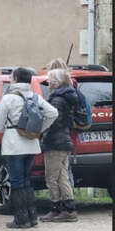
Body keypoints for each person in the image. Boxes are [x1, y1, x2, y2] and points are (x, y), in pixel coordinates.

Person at [0, 67, 58, 228]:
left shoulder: (8, 98)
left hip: (14, 145)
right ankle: (32, 216)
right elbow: (53, 113)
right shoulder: (34, 96)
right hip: (31, 144)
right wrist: (39, 129)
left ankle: (21, 219)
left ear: (15, 79)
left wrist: (9, 129)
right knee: (26, 180)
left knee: (16, 181)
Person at [40, 69, 79, 222]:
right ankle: (69, 208)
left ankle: (55, 208)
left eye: (49, 80)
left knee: (51, 177)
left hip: (55, 143)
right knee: (63, 177)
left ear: (56, 82)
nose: (47, 82)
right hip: (64, 141)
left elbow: (54, 122)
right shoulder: (66, 97)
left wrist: (42, 134)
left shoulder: (57, 100)